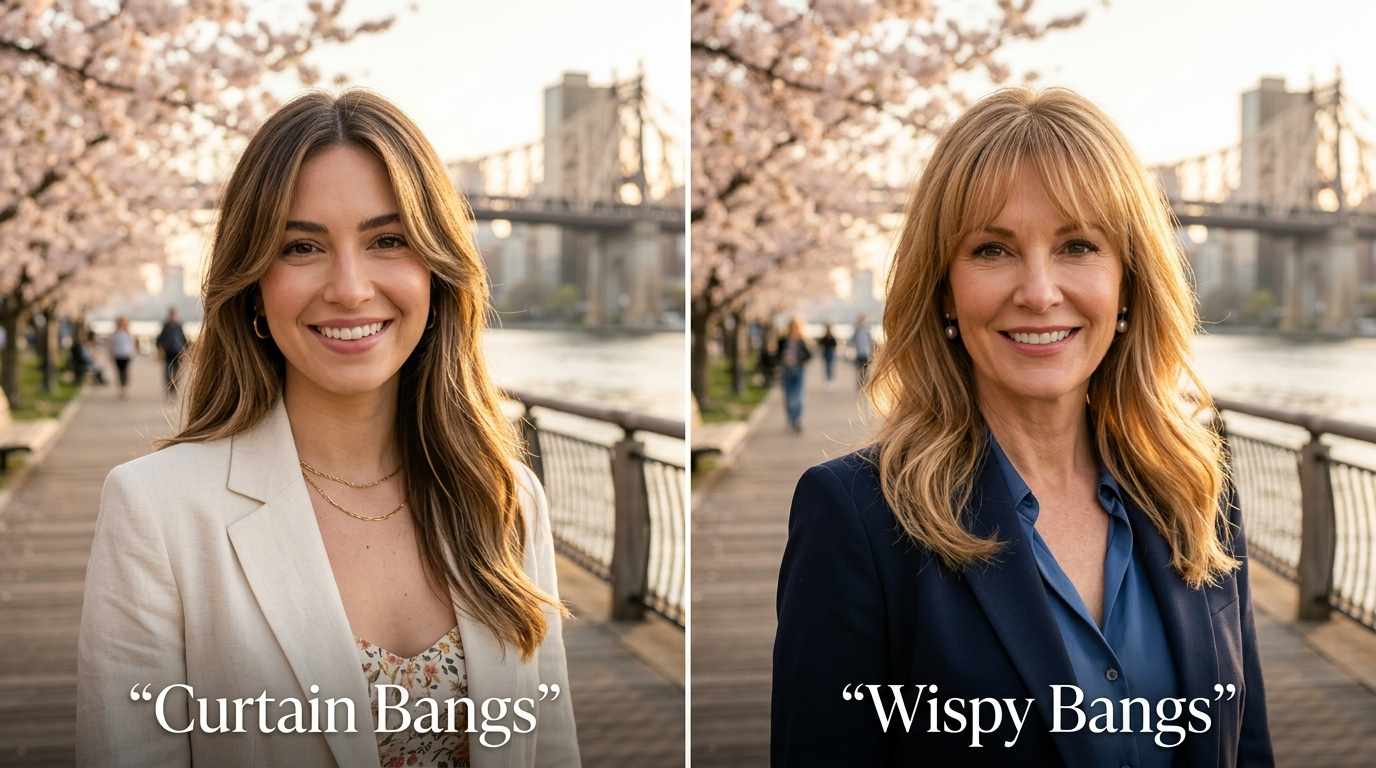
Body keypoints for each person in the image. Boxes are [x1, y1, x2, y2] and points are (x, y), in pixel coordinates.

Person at [77, 90, 579, 767]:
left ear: (436, 273)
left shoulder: (507, 500)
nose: (349, 288)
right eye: (302, 246)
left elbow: (550, 749)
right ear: (254, 288)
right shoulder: (156, 513)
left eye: (387, 240)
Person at [772, 88, 1271, 767]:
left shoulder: (1198, 491)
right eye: (992, 250)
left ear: (1128, 281)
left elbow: (1247, 748)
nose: (1038, 292)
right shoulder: (854, 519)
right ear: (944, 288)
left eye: (1077, 245)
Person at [777, 316, 812, 433]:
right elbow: (777, 354)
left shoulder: (802, 341)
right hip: (786, 371)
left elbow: (808, 356)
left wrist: (798, 357)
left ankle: (798, 420)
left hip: (799, 371)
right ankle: (790, 419)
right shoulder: (783, 340)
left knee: (798, 396)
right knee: (788, 397)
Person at [155, 307, 188, 391]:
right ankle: (169, 385)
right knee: (168, 370)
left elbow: (184, 339)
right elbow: (159, 339)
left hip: (178, 352)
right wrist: (159, 350)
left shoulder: (179, 326)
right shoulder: (166, 326)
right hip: (168, 352)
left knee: (177, 371)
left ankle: (175, 385)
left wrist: (186, 350)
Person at [109, 316, 134, 399]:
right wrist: (111, 355)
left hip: (126, 355)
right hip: (117, 355)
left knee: (125, 372)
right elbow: (111, 345)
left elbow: (132, 344)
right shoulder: (115, 334)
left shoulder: (128, 333)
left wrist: (132, 354)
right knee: (119, 372)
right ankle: (120, 388)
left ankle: (124, 389)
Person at [850, 314, 873, 391]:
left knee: (866, 371)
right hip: (859, 354)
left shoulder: (867, 331)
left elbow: (871, 343)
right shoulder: (857, 331)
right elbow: (852, 342)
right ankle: (860, 385)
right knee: (859, 371)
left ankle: (865, 385)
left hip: (867, 354)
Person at [817, 323, 838, 391]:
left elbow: (835, 344)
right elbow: (820, 343)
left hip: (830, 353)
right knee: (827, 367)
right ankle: (827, 381)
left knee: (830, 367)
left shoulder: (832, 336)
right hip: (826, 353)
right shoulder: (825, 336)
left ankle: (831, 381)